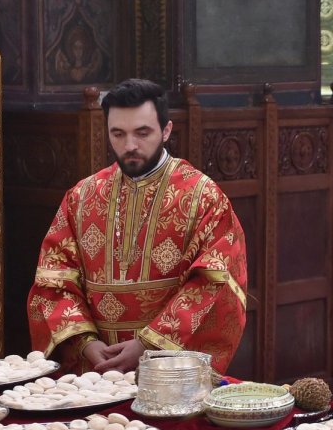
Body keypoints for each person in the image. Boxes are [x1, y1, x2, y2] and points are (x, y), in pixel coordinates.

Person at [28, 78, 248, 374]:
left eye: (142, 133)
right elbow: (53, 279)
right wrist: (85, 343)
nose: (129, 145)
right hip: (95, 370)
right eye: (118, 134)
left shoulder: (203, 198)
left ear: (166, 130)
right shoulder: (81, 197)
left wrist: (148, 345)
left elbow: (215, 283)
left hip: (168, 368)